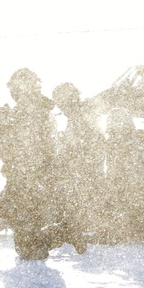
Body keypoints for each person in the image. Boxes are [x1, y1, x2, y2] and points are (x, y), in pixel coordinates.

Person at [0, 68, 71, 259]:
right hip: (31, 175)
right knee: (8, 209)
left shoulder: (29, 112)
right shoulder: (36, 110)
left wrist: (3, 125)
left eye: (16, 88)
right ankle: (49, 236)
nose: (14, 93)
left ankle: (56, 234)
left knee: (26, 239)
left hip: (28, 176)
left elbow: (17, 147)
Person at [98, 108, 144, 244]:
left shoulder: (132, 148)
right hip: (138, 208)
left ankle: (138, 227)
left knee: (105, 235)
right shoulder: (116, 146)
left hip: (138, 209)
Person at [52, 82, 106, 249]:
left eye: (61, 102)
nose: (61, 106)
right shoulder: (80, 115)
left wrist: (67, 157)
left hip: (84, 176)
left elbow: (90, 148)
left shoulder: (81, 116)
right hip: (83, 175)